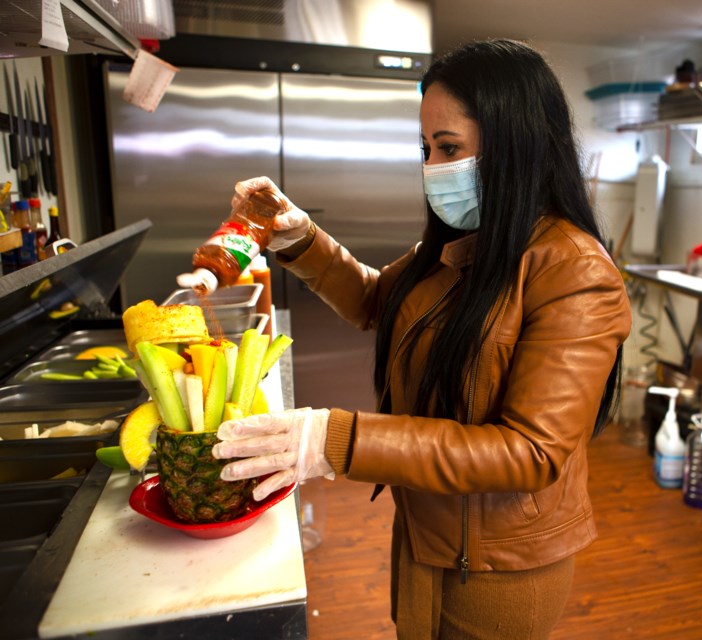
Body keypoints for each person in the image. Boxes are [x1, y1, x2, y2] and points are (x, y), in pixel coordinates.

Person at [211, 38, 632, 639]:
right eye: (427, 149)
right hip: (428, 530)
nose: (434, 168)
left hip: (497, 565)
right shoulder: (461, 247)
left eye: (450, 148)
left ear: (516, 144)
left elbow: (532, 452)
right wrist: (300, 239)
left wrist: (335, 439)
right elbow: (378, 299)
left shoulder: (572, 270)